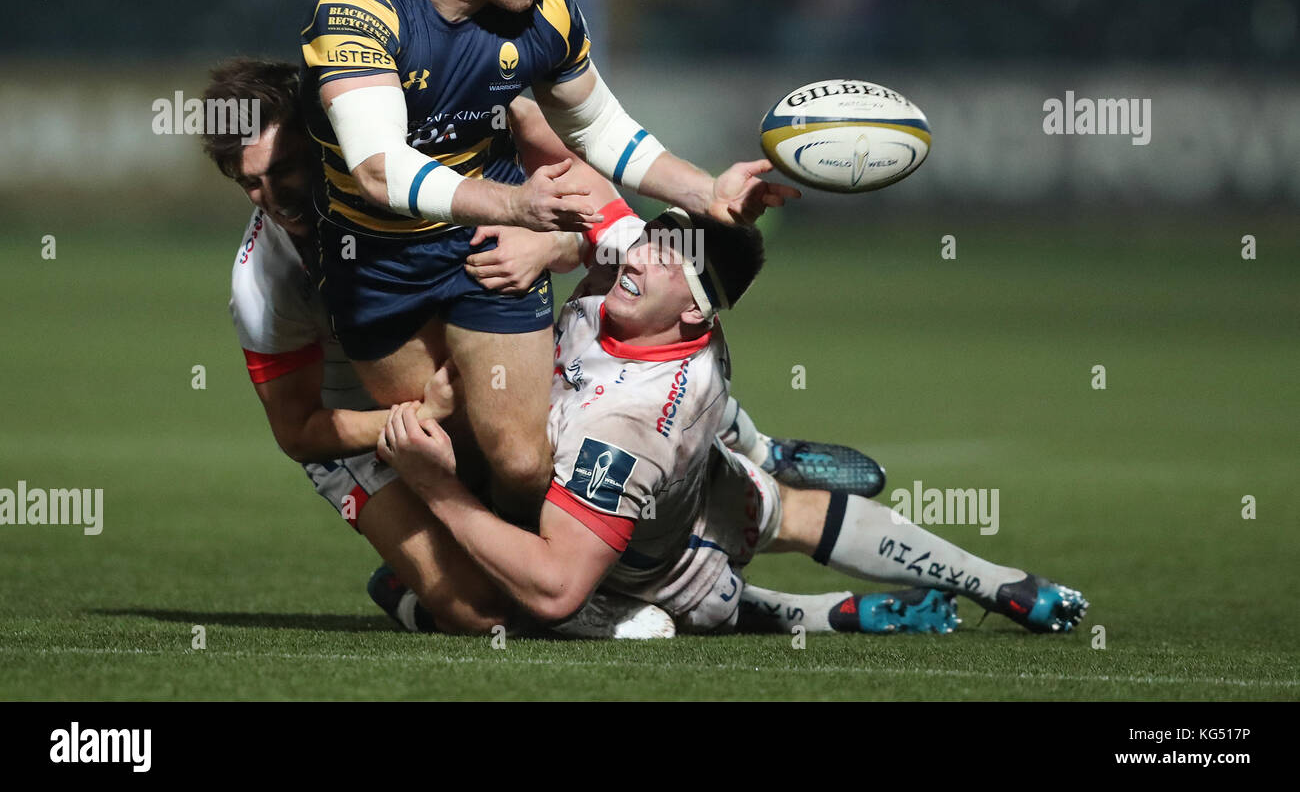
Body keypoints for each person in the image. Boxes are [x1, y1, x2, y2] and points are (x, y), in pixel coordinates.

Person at [201, 58, 880, 636]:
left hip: (455, 378)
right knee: (478, 609)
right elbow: (298, 431)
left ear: (327, 132)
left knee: (546, 465)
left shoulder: (417, 163)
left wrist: (555, 240)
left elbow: (611, 233)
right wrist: (410, 422)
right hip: (366, 432)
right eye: (250, 184)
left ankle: (749, 443)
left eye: (284, 167)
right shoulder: (263, 282)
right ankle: (415, 590)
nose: (273, 196)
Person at [299, 0, 798, 518]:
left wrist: (703, 192)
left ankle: (541, 602)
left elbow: (599, 129)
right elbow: (378, 167)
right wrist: (518, 202)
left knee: (524, 462)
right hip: (375, 259)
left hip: (485, 245)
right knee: (450, 441)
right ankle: (496, 599)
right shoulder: (360, 4)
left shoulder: (545, 11)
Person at [379, 207, 1090, 636]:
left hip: (642, 559)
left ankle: (798, 610)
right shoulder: (672, 311)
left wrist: (438, 490)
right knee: (792, 509)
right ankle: (994, 579)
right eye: (648, 240)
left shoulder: (625, 428)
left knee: (622, 608)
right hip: (702, 475)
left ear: (692, 309)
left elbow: (559, 582)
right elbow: (602, 220)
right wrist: (555, 243)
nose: (637, 256)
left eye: (664, 258)